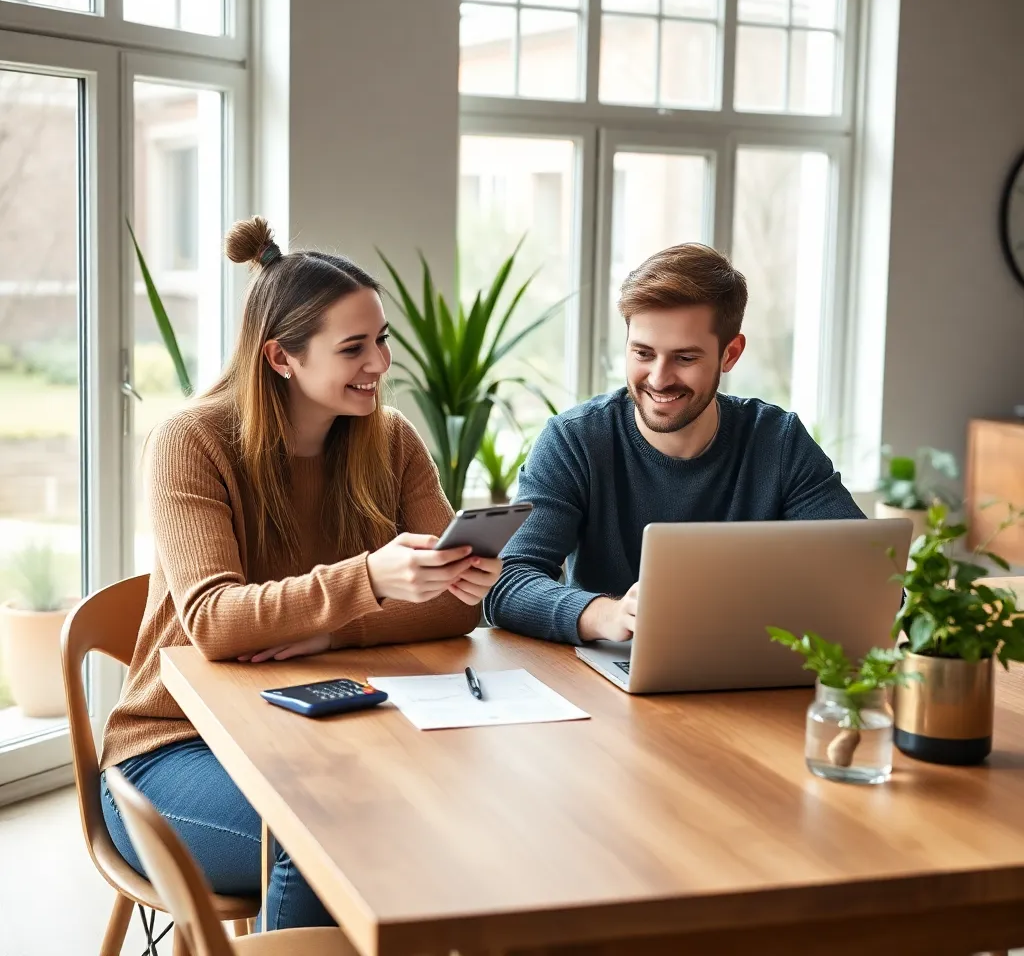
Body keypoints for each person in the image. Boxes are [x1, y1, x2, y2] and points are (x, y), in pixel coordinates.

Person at [99, 217, 501, 930]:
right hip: (174, 750)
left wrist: (321, 636)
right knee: (327, 836)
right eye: (354, 348)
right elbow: (218, 624)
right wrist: (369, 583)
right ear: (281, 358)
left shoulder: (393, 441)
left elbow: (455, 605)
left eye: (382, 339)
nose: (380, 363)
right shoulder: (192, 443)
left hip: (318, 729)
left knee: (452, 806)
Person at [484, 242, 863, 646]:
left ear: (730, 354)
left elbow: (869, 577)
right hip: (609, 677)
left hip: (750, 677)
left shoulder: (778, 442)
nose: (659, 379)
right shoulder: (575, 440)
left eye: (684, 358)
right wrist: (605, 614)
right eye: (643, 353)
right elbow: (507, 584)